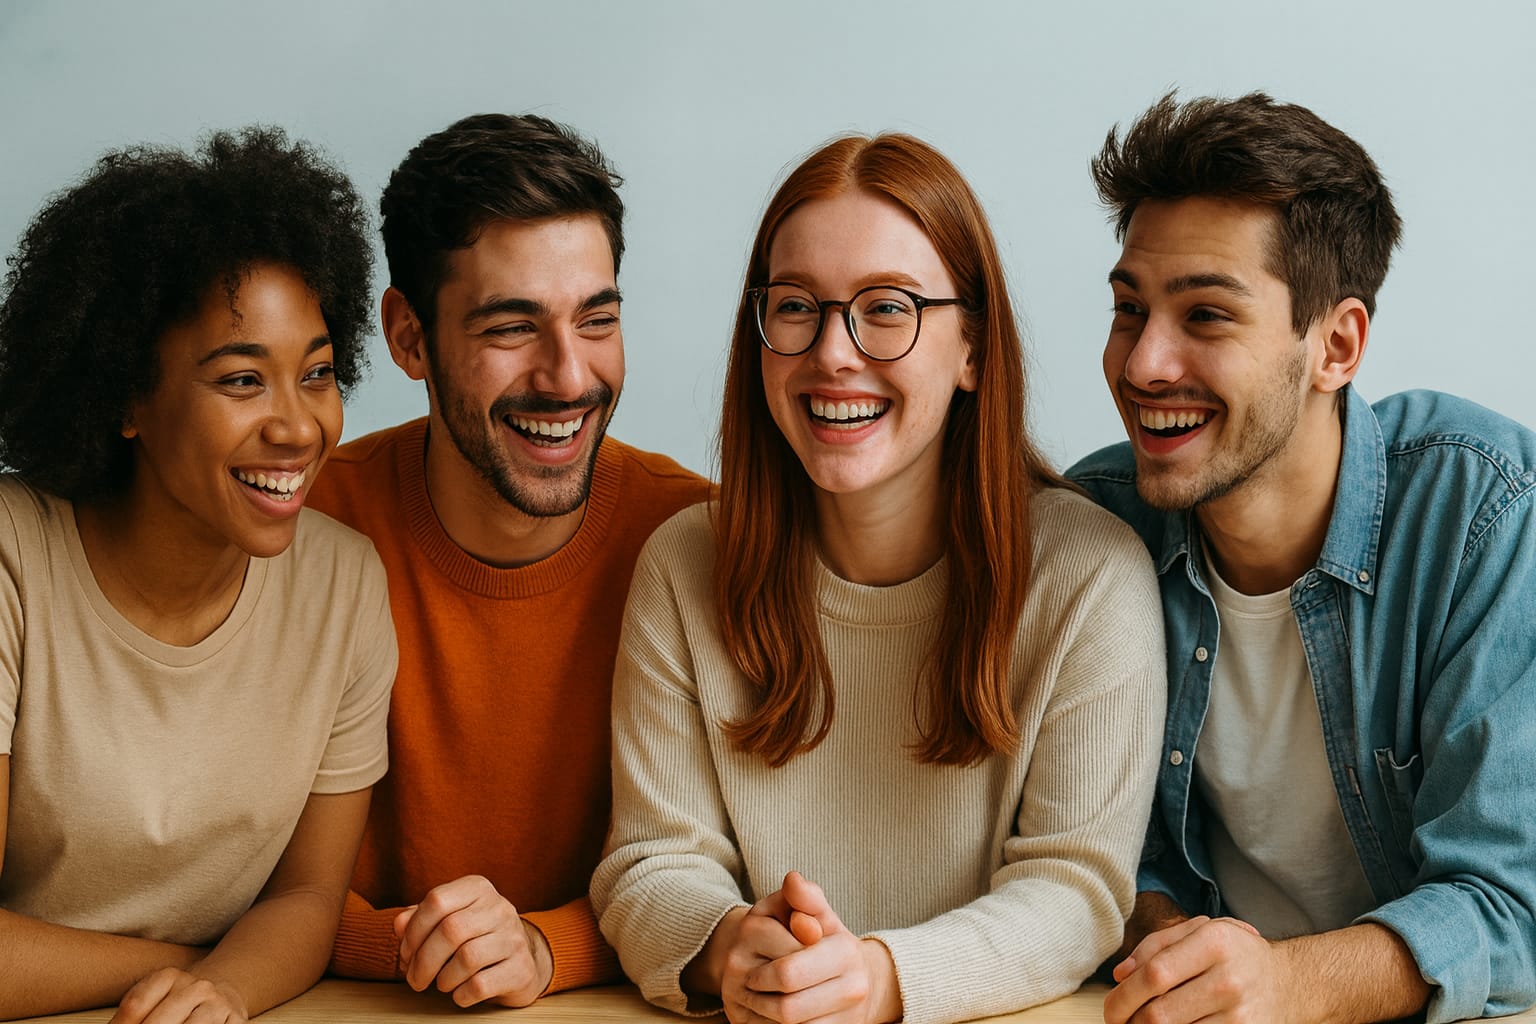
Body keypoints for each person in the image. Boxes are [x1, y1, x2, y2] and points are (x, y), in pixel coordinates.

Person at [591, 133, 1166, 1024]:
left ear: (972, 347)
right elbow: (653, 862)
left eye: (887, 308)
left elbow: (1075, 891)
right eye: (795, 307)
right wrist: (725, 946)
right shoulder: (683, 564)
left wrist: (880, 979)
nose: (832, 353)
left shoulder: (1089, 578)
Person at [1068, 92, 1536, 1024]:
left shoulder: (1483, 510)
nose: (1143, 364)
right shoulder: (1091, 529)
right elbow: (1080, 854)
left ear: (1337, 345)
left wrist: (1284, 983)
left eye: (1205, 315)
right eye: (1130, 310)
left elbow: (1509, 907)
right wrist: (1177, 952)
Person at [307, 113, 711, 1007]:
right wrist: (419, 944)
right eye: (511, 326)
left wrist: (544, 945)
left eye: (596, 319)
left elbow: (742, 865)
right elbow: (220, 874)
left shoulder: (696, 540)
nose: (569, 376)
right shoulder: (305, 527)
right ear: (409, 338)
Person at [0, 129, 394, 1021]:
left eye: (319, 373)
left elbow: (304, 902)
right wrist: (183, 965)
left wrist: (219, 991)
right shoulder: (12, 558)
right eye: (243, 380)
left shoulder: (343, 589)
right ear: (127, 396)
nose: (298, 428)